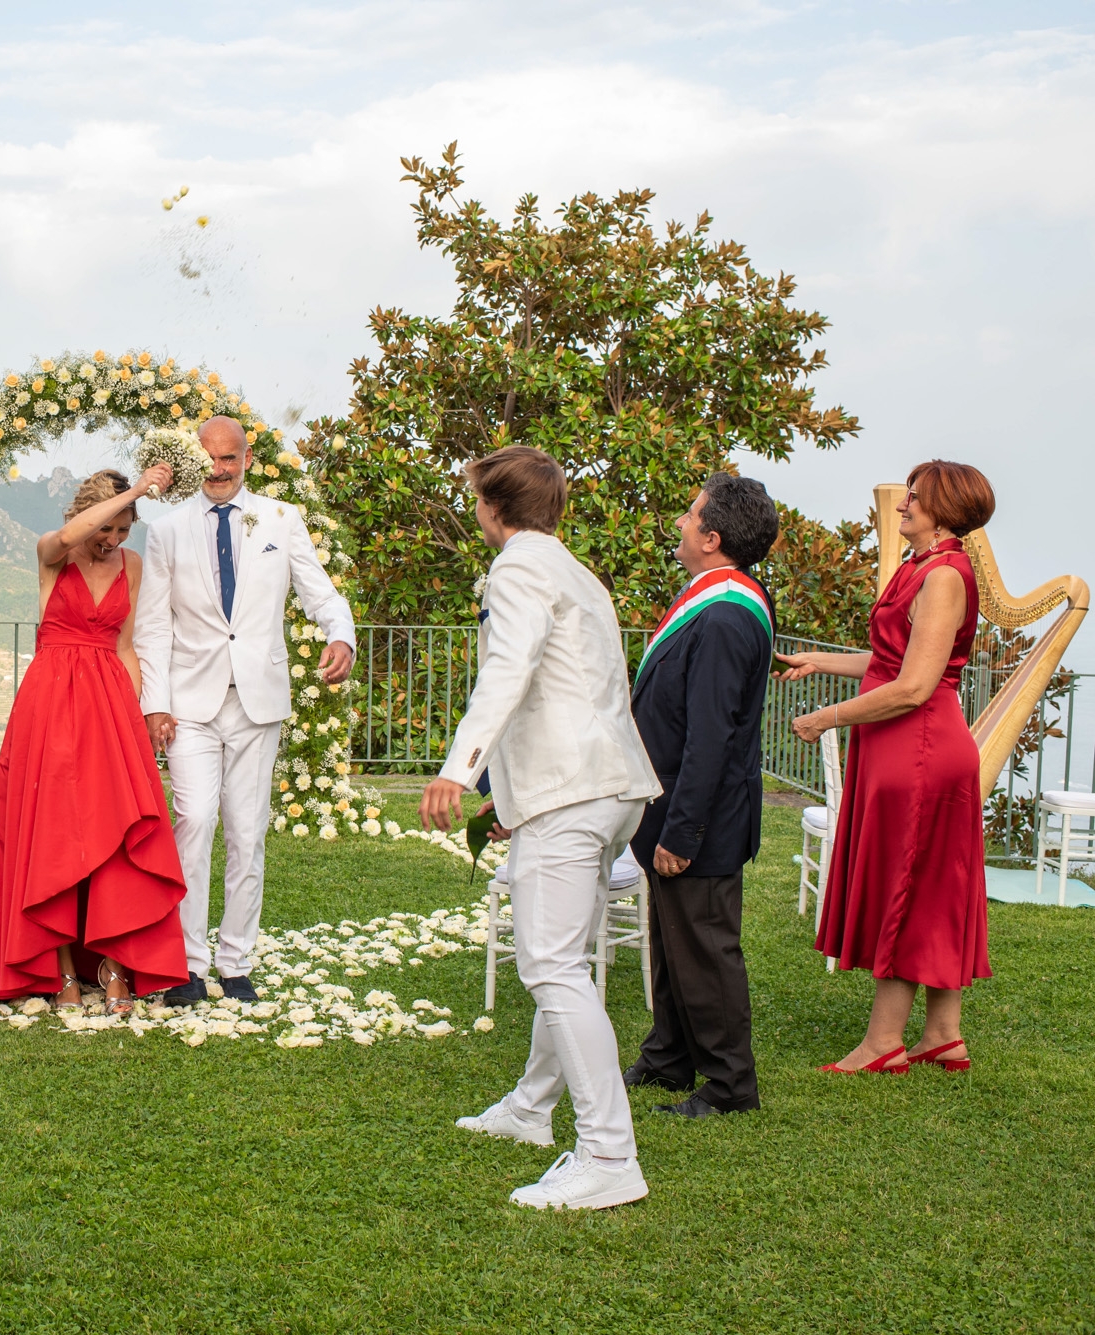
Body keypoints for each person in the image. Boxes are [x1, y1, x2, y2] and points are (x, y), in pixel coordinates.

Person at [422, 445, 662, 1212]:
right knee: (566, 960)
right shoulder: (576, 571)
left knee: (551, 967)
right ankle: (530, 1107)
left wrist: (461, 767)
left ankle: (608, 1154)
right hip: (607, 786)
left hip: (573, 792)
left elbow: (512, 669)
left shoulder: (518, 568)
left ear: (493, 508)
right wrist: (510, 796)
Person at [0, 466, 189, 1012]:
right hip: (50, 703)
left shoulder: (131, 566)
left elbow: (126, 645)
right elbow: (69, 537)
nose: (113, 541)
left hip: (109, 701)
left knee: (114, 830)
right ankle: (63, 970)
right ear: (86, 515)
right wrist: (137, 489)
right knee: (54, 833)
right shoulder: (53, 551)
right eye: (107, 529)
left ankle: (114, 964)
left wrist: (135, 717)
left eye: (124, 531)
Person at [775, 460, 995, 1074]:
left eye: (916, 498)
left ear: (943, 509)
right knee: (930, 884)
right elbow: (890, 662)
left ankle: (883, 1043)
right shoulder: (920, 567)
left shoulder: (945, 577)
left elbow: (916, 686)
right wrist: (821, 660)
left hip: (920, 748)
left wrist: (830, 717)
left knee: (908, 882)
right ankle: (943, 1035)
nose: (903, 506)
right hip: (909, 746)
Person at [136, 416, 357, 1003]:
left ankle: (236, 963)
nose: (217, 469)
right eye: (207, 458)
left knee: (247, 832)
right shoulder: (166, 532)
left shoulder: (282, 521)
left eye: (228, 458)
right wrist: (154, 702)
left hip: (258, 702)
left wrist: (341, 635)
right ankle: (187, 964)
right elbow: (153, 625)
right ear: (193, 460)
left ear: (247, 459)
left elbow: (319, 591)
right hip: (189, 705)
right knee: (195, 820)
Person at [623, 474, 779, 1118]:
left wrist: (680, 832)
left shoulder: (723, 616)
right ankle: (670, 1054)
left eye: (690, 518)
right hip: (674, 808)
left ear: (713, 538)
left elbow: (711, 737)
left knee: (707, 948)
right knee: (675, 941)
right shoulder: (713, 601)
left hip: (701, 818)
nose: (680, 526)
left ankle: (729, 1084)